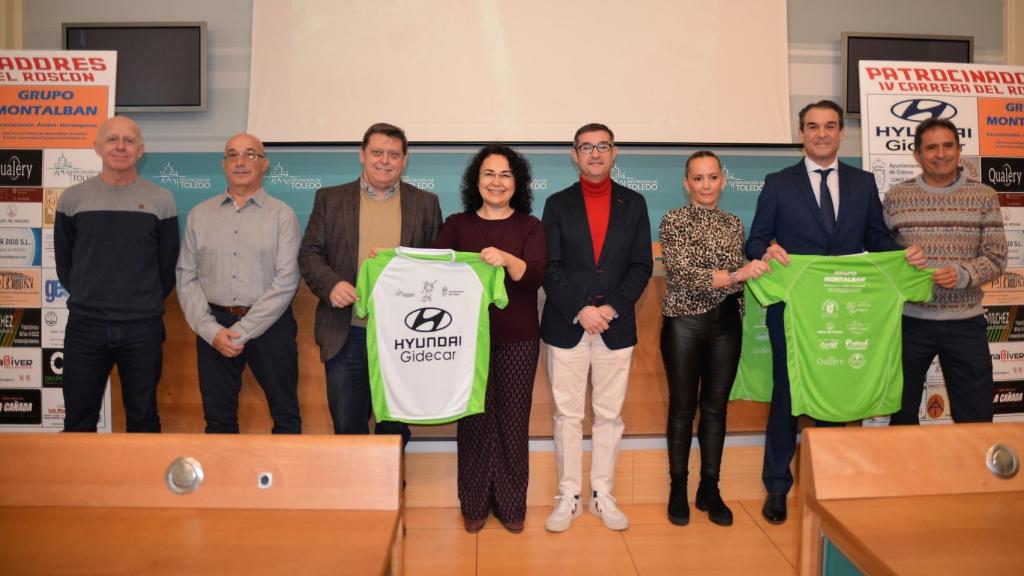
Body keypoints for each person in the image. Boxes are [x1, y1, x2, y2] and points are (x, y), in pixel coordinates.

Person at [744, 100, 925, 524]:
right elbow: (755, 241)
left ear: (841, 132)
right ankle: (777, 487)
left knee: (840, 388)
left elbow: (877, 239)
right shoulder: (778, 183)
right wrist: (765, 251)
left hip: (848, 307)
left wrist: (904, 257)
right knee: (788, 393)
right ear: (801, 134)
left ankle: (830, 484)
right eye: (812, 126)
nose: (821, 133)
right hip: (793, 310)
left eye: (829, 126)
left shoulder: (863, 183)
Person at [298, 123, 442, 444]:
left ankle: (392, 479)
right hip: (347, 331)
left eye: (393, 154)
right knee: (348, 427)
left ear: (404, 160)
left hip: (403, 336)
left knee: (395, 429)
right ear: (362, 155)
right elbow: (309, 254)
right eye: (377, 152)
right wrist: (331, 285)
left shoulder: (425, 203)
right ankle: (354, 480)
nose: (384, 161)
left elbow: (435, 265)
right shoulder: (330, 199)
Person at [541, 123, 653, 532]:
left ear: (614, 152)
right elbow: (549, 267)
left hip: (615, 326)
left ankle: (602, 494)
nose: (594, 153)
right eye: (586, 147)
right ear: (574, 155)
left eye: (602, 145)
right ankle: (568, 495)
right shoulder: (557, 204)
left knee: (609, 415)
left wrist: (609, 308)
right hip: (567, 324)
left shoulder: (634, 203)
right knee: (567, 415)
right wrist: (580, 310)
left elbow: (641, 266)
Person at [432, 144, 546, 534]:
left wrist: (508, 259)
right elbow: (433, 268)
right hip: (467, 342)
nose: (496, 182)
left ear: (517, 183)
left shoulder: (530, 227)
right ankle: (474, 504)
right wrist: (391, 258)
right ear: (476, 181)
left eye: (505, 175)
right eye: (489, 174)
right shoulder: (457, 225)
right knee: (474, 423)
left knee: (513, 424)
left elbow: (535, 277)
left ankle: (512, 507)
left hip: (519, 339)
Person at [659, 151, 769, 527]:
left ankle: (710, 487)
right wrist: (736, 275)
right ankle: (678, 488)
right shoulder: (673, 219)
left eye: (712, 177)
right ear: (686, 183)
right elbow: (684, 274)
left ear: (723, 180)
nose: (706, 185)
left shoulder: (734, 223)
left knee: (716, 409)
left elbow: (744, 271)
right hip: (684, 324)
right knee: (682, 407)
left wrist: (761, 262)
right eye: (698, 178)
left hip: (726, 325)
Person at [54, 116, 179, 432]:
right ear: (97, 147)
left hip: (142, 329)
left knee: (144, 420)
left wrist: (140, 302)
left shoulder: (161, 199)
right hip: (86, 328)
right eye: (112, 139)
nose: (120, 146)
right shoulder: (72, 199)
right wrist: (90, 297)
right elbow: (65, 264)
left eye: (129, 140)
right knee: (78, 421)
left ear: (141, 150)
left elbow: (167, 266)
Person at [176, 133, 302, 434]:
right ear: (224, 164)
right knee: (218, 420)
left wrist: (242, 332)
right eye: (233, 155)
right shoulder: (200, 215)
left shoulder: (282, 216)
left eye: (250, 154)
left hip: (271, 325)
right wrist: (211, 330)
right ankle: (222, 469)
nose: (241, 162)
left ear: (264, 164)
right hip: (215, 327)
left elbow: (287, 280)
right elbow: (186, 276)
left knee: (285, 415)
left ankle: (285, 468)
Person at [883, 118, 1006, 425]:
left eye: (948, 146)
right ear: (917, 154)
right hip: (909, 322)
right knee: (901, 414)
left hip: (965, 323)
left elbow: (997, 257)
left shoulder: (984, 196)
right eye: (931, 147)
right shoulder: (896, 198)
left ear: (959, 149)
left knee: (976, 416)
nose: (941, 154)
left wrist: (963, 274)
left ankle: (974, 461)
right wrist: (901, 262)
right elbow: (883, 258)